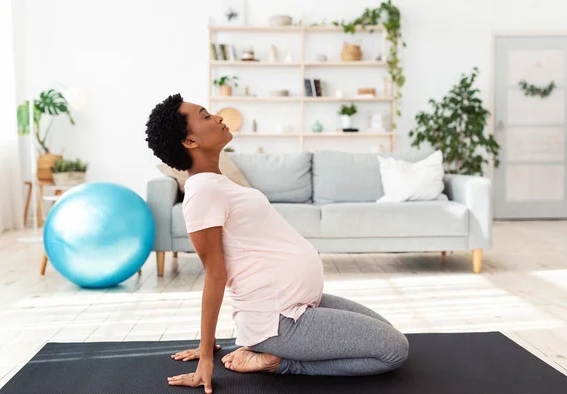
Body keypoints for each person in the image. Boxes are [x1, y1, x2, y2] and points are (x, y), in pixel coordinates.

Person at [145, 94, 408, 393]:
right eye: (205, 116)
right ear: (190, 142)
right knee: (394, 351)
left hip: (297, 305)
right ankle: (280, 362)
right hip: (280, 321)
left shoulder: (217, 183)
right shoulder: (202, 192)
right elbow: (215, 274)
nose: (218, 117)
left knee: (390, 334)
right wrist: (205, 356)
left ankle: (258, 346)